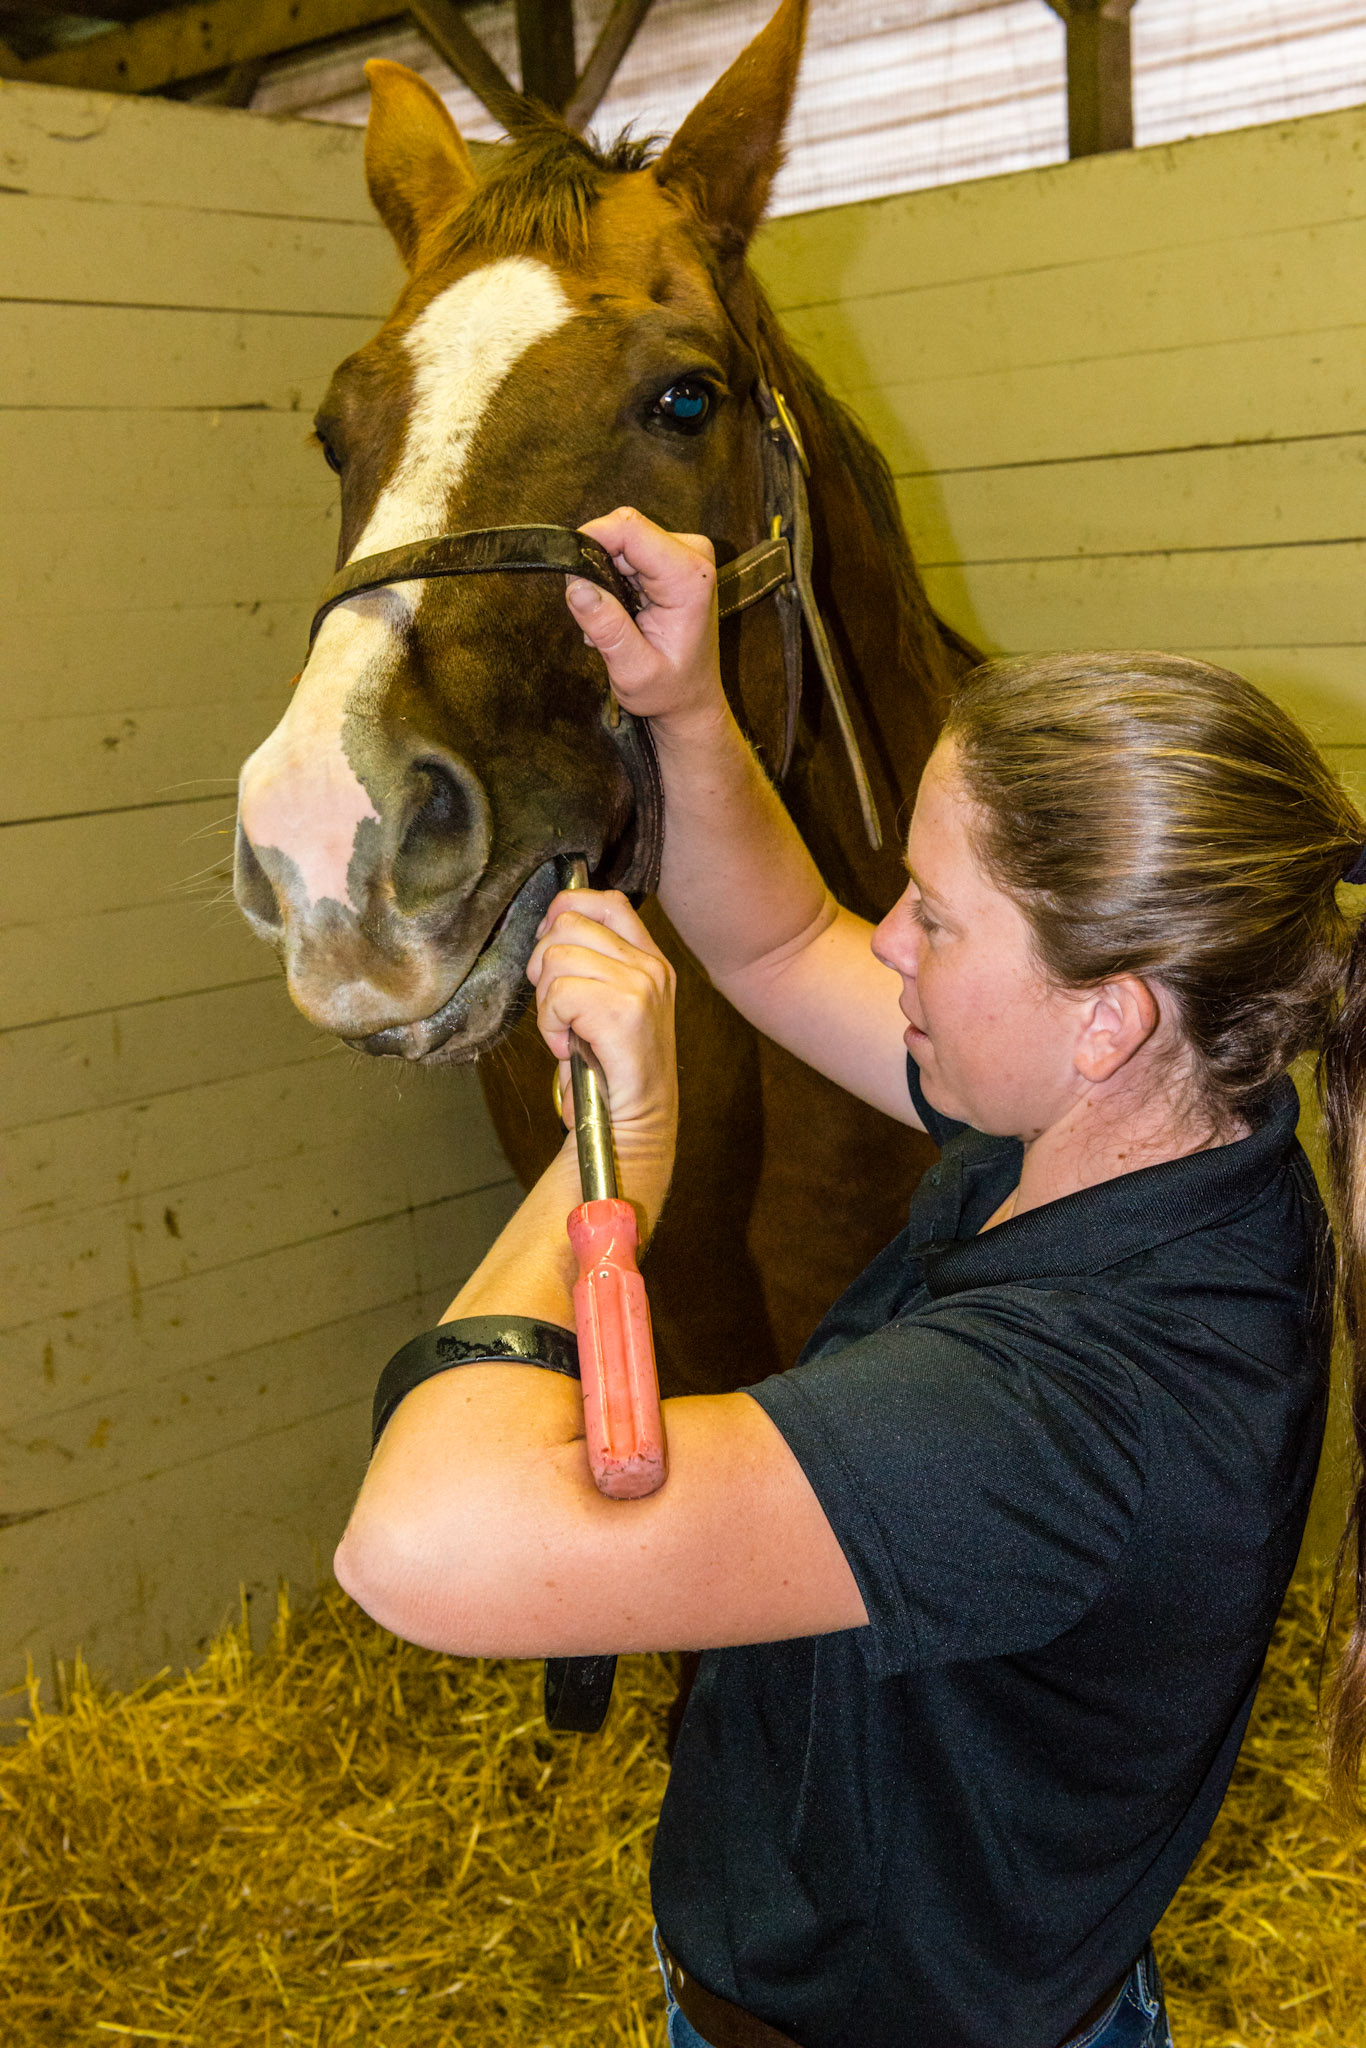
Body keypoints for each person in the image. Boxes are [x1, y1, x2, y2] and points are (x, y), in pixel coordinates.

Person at [334, 509, 1366, 2048]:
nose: (886, 937)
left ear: (1108, 1018)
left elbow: (420, 1549)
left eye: (935, 917)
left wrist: (612, 1153)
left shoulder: (1058, 1410)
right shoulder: (1147, 1140)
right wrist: (686, 705)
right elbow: (775, 944)